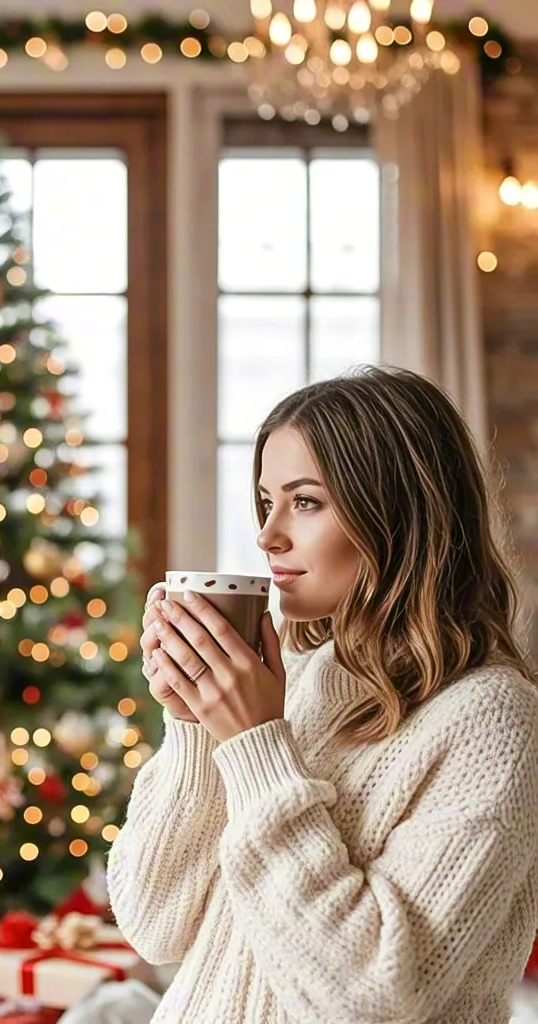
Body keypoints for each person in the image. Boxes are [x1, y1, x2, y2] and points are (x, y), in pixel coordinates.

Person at [107, 366, 538, 1023]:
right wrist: (194, 728)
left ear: (397, 514)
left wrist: (256, 745)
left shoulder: (493, 720)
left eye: (305, 502)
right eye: (266, 501)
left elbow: (374, 992)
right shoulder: (296, 679)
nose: (267, 535)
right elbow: (154, 925)